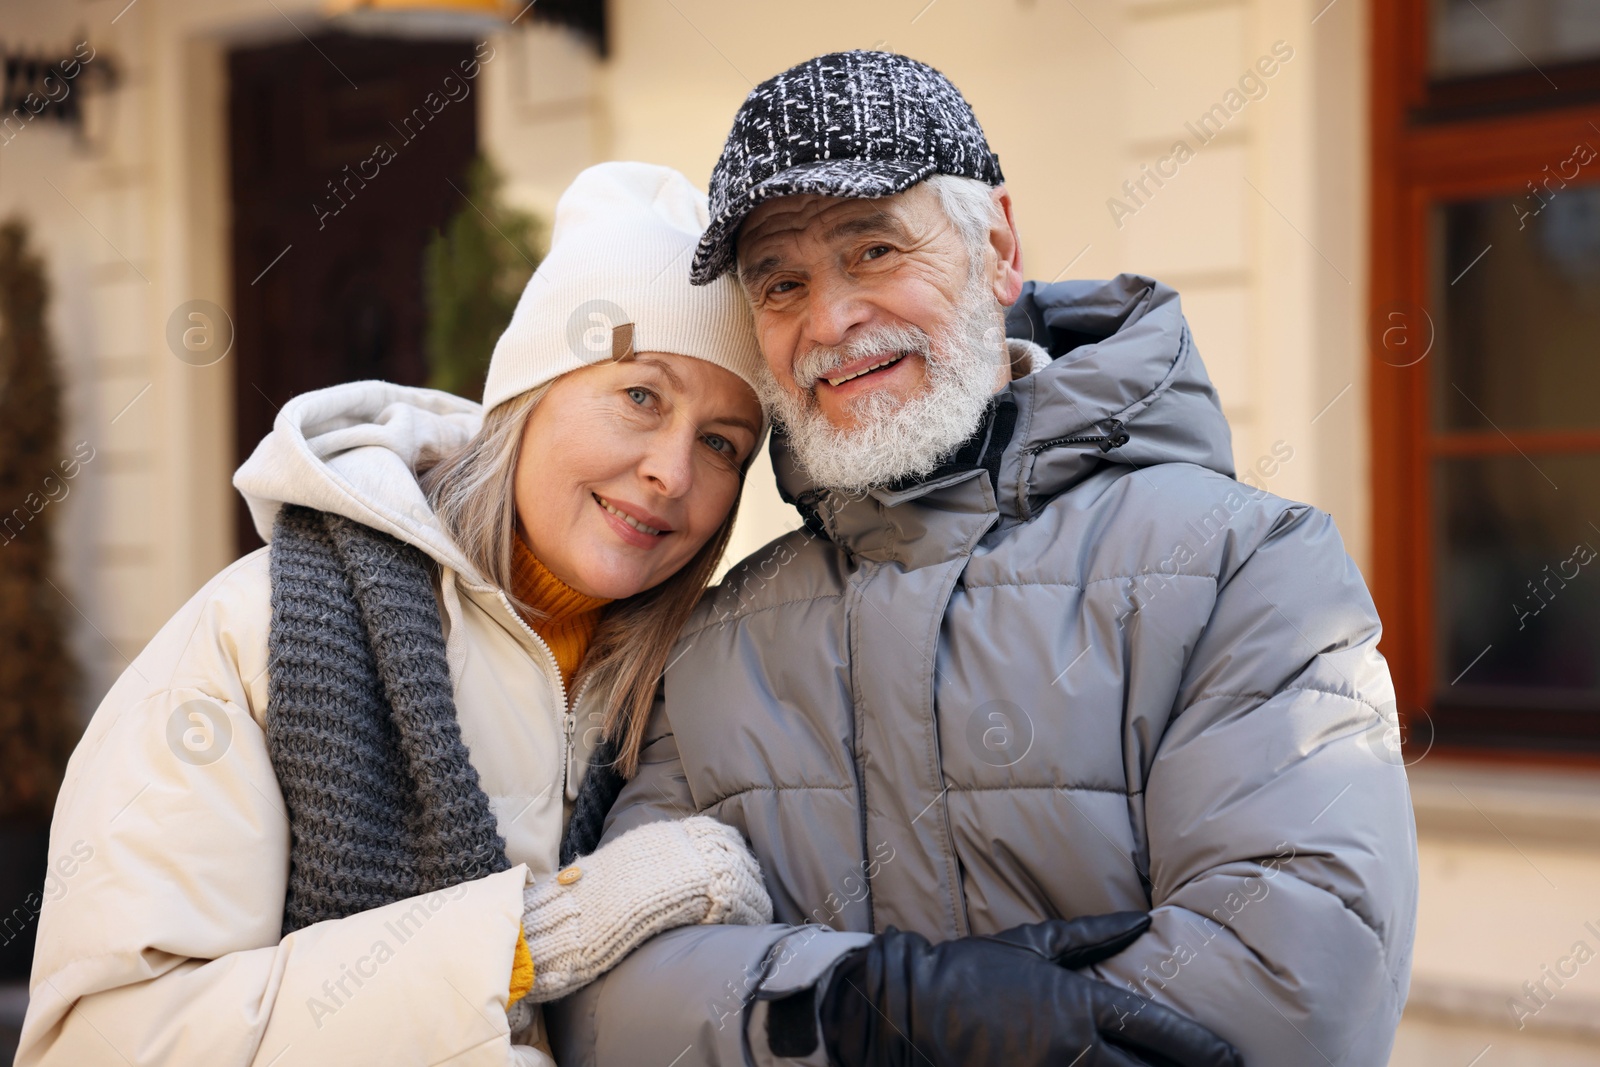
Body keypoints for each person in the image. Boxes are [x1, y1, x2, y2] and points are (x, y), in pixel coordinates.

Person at [550, 52, 1418, 1067]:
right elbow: (600, 1003)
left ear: (996, 247)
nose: (830, 320)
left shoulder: (1244, 567)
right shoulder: (717, 638)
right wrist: (844, 1007)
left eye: (873, 250)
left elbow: (1299, 989)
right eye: (781, 282)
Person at [17, 162, 778, 1067]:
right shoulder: (255, 636)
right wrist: (528, 941)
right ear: (527, 396)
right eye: (640, 395)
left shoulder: (696, 687)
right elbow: (99, 1044)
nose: (673, 472)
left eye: (722, 442)